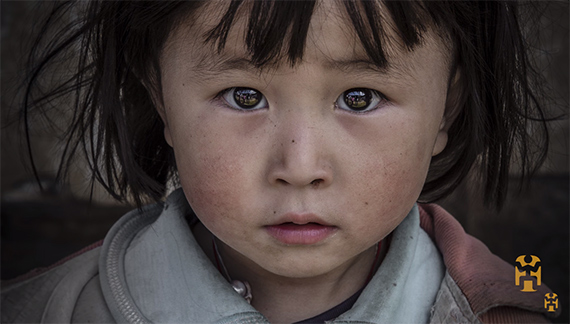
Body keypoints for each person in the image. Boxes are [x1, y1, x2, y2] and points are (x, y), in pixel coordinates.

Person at [1, 1, 560, 323]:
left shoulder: (516, 309)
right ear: (159, 97)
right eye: (245, 97)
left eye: (359, 97)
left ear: (447, 107)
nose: (300, 166)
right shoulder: (41, 310)